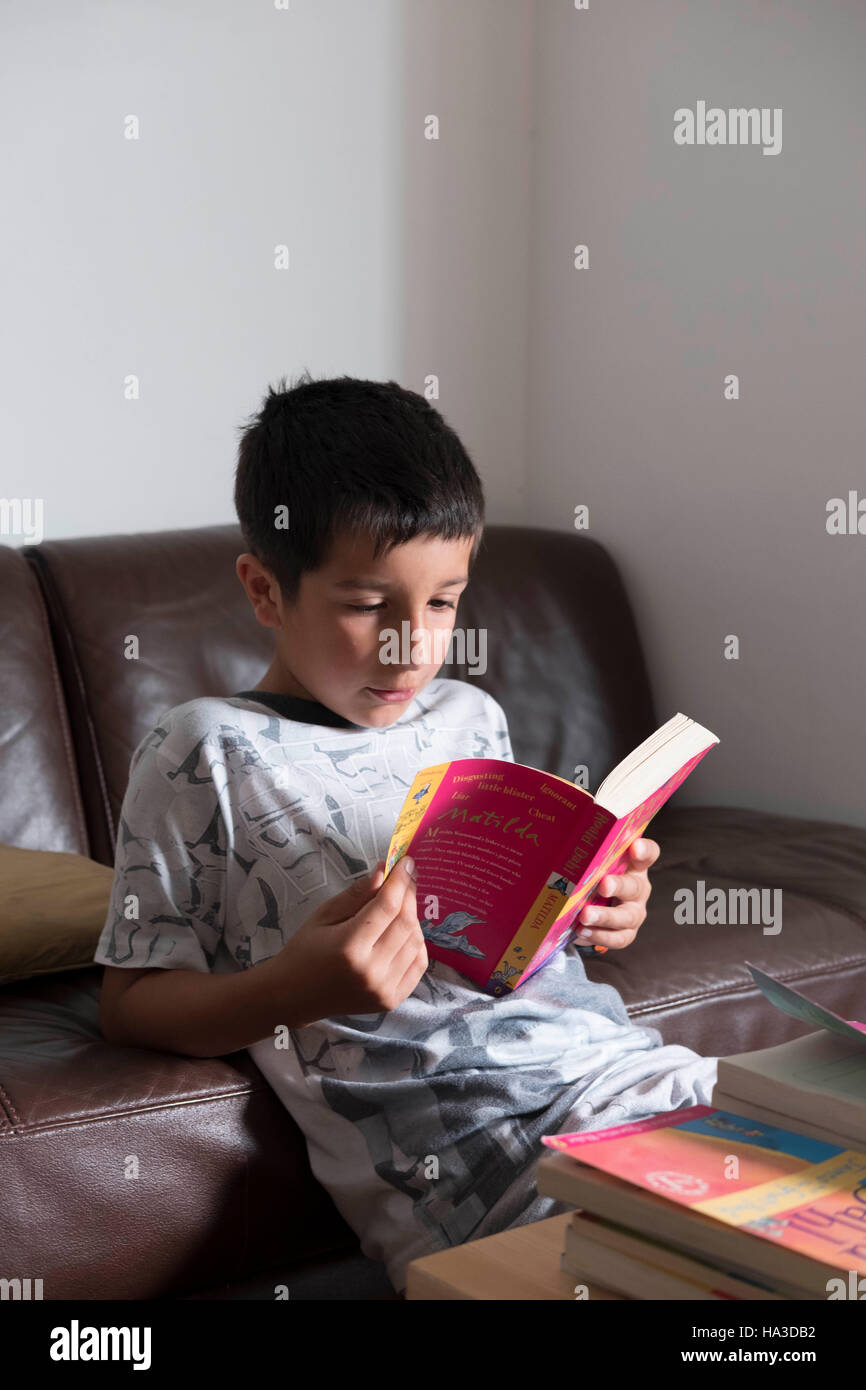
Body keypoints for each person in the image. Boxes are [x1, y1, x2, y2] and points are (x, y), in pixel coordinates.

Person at [94, 372, 718, 1296]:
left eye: (442, 602)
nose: (413, 648)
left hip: (629, 1077)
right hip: (487, 1172)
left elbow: (523, 939)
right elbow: (129, 1002)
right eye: (365, 605)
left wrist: (600, 905)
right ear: (265, 589)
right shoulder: (203, 749)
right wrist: (291, 991)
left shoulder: (470, 717)